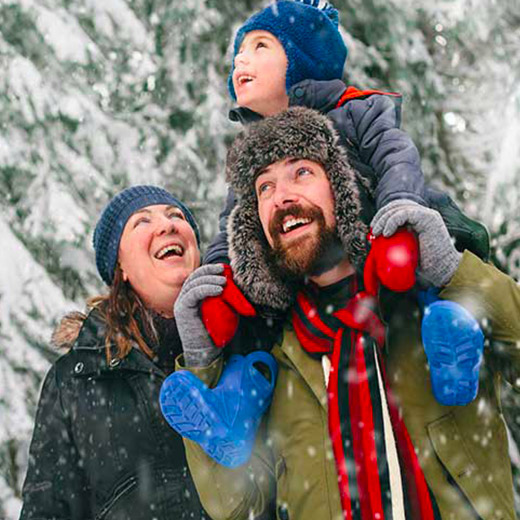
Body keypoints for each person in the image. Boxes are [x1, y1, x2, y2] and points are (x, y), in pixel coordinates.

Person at [175, 108, 520, 520]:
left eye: (301, 172)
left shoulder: (433, 315)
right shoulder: (272, 361)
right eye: (264, 187)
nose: (281, 196)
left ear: (343, 187)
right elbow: (235, 507)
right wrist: (202, 362)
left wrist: (452, 271)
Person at [205, 0, 488, 407]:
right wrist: (219, 277)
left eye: (259, 46)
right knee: (259, 326)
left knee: (421, 272)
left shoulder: (355, 110)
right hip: (317, 276)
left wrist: (398, 208)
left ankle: (449, 345)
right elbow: (232, 223)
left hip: (387, 231)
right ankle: (238, 403)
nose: (240, 60)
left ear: (302, 61)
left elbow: (395, 156)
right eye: (237, 54)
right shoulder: (255, 154)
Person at [20, 185, 211, 520]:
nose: (167, 226)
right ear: (120, 267)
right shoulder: (77, 380)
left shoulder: (244, 340)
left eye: (176, 216)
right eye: (141, 222)